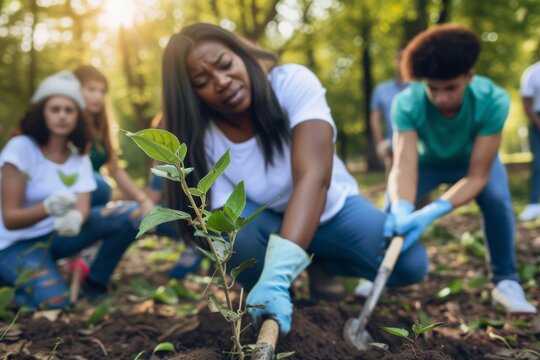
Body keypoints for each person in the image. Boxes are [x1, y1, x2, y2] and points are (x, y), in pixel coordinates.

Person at [160, 23, 429, 336]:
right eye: (203, 80)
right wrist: (268, 273)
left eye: (225, 65)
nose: (221, 82)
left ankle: (316, 265)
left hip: (329, 211)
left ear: (242, 55)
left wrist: (278, 272)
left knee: (410, 263)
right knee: (232, 235)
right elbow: (221, 217)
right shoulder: (201, 136)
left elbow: (314, 177)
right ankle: (274, 295)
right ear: (190, 93)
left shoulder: (291, 82)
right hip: (267, 227)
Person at [385, 24, 536, 314]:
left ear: (469, 77)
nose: (441, 97)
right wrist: (402, 205)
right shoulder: (406, 103)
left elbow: (478, 176)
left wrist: (434, 210)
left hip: (473, 162)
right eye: (433, 88)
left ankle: (506, 281)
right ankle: (381, 270)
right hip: (426, 163)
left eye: (450, 88)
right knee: (390, 213)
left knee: (497, 199)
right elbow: (403, 167)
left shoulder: (493, 100)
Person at [0, 71, 138, 309]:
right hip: (14, 245)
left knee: (131, 214)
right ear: (42, 112)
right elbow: (10, 220)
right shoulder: (20, 148)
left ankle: (94, 283)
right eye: (55, 109)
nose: (62, 116)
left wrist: (75, 217)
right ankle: (11, 285)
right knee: (57, 303)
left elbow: (83, 209)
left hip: (56, 239)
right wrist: (47, 208)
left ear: (78, 115)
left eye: (69, 110)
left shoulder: (79, 157)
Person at [73, 65, 155, 214]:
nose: (98, 96)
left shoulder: (101, 128)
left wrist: (143, 199)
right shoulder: (65, 126)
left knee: (135, 213)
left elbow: (114, 169)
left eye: (102, 91)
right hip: (73, 200)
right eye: (91, 89)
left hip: (97, 197)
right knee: (100, 183)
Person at [369, 45, 409, 171]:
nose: (402, 62)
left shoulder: (420, 88)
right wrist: (380, 143)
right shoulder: (381, 90)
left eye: (407, 58)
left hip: (417, 147)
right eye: (400, 58)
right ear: (395, 61)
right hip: (392, 146)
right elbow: (375, 118)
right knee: (393, 185)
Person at [518, 60, 540, 221]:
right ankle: (534, 204)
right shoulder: (532, 72)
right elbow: (526, 103)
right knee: (538, 164)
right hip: (537, 120)